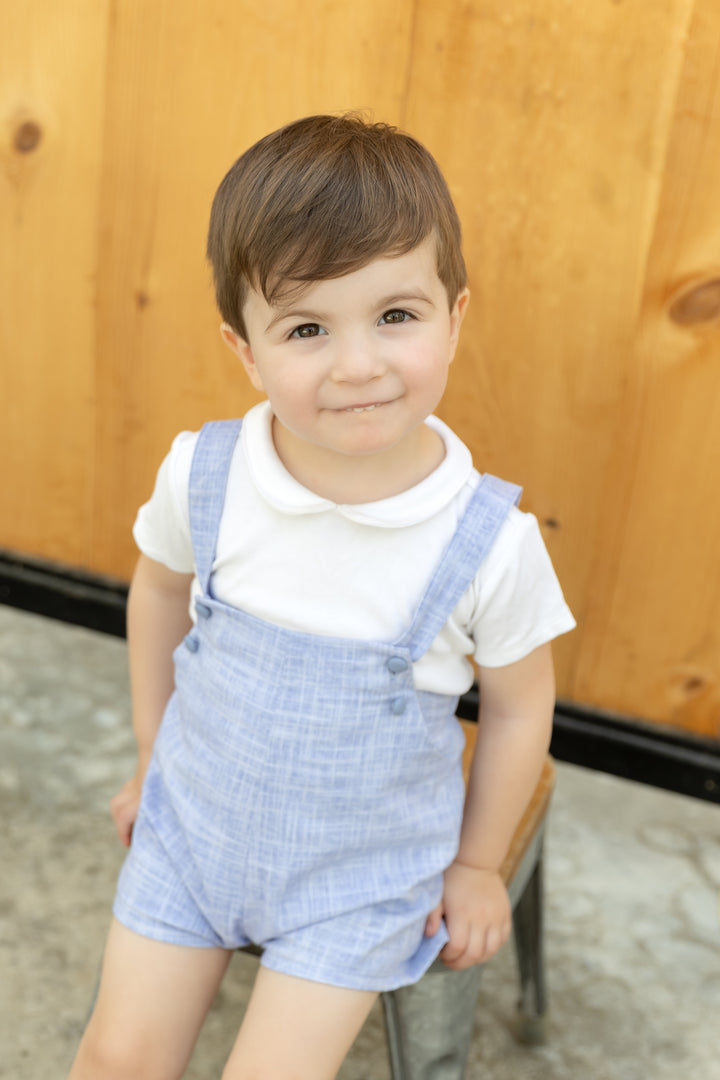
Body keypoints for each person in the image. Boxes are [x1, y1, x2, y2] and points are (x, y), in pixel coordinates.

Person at [68, 113, 575, 1080]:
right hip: (192, 833)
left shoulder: (487, 541)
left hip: (360, 881)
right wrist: (151, 752)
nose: (358, 364)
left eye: (396, 316)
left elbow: (519, 707)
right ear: (246, 350)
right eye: (307, 328)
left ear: (455, 315)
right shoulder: (206, 475)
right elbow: (160, 591)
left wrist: (475, 866)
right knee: (116, 1058)